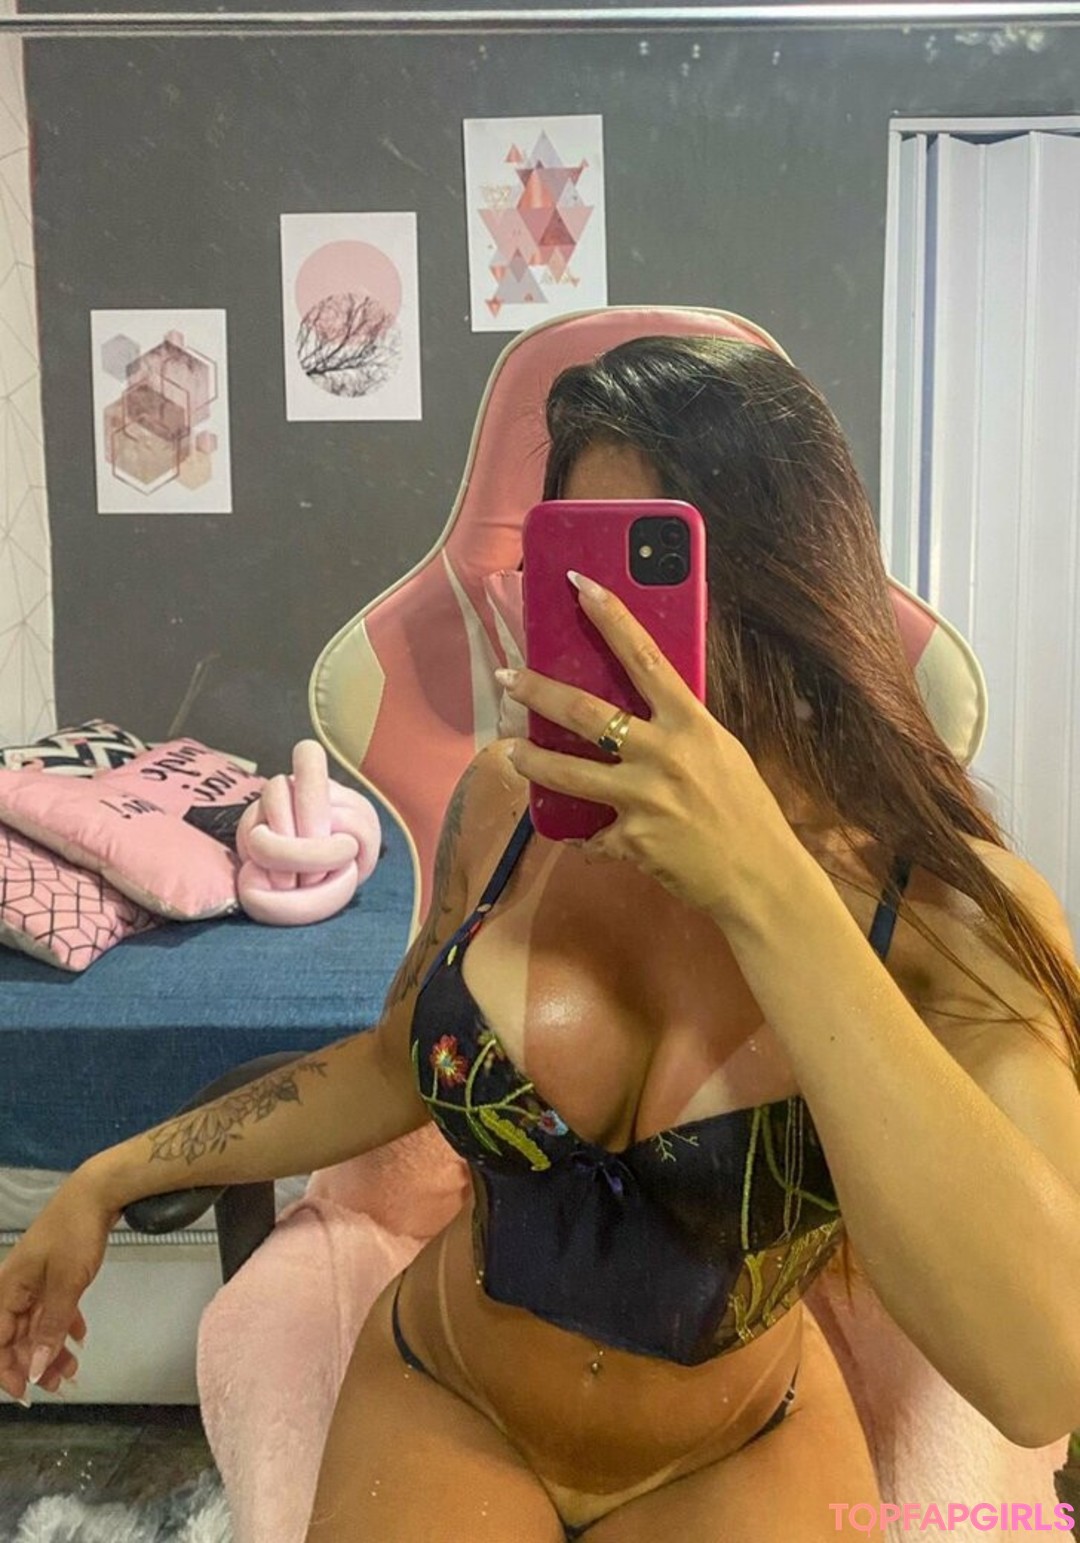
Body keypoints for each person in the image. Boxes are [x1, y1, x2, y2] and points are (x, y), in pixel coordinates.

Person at [3, 336, 1080, 1543]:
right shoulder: (508, 804)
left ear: (789, 588)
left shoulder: (951, 917)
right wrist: (108, 1176)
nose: (598, 620)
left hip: (736, 1441)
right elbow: (391, 1064)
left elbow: (1039, 1371)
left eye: (653, 569)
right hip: (453, 1392)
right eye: (568, 568)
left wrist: (764, 886)